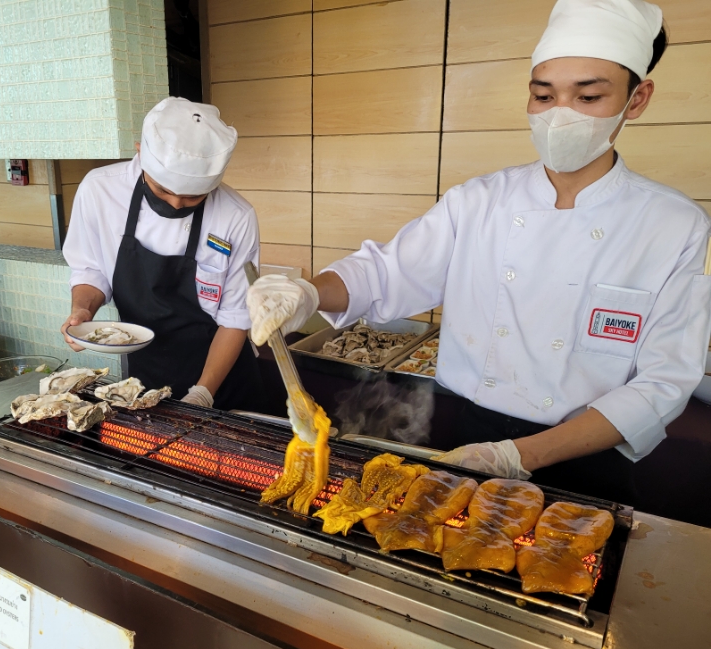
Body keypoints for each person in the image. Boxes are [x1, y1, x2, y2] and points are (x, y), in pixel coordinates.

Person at [246, 0, 711, 504]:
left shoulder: (672, 225)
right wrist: (306, 293)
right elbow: (385, 273)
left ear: (636, 99)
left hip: (587, 455)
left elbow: (664, 382)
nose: (561, 115)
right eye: (543, 94)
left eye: (589, 96)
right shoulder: (479, 201)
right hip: (469, 433)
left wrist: (519, 456)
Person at [62, 97, 265, 412]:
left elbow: (235, 319)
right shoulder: (100, 191)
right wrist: (82, 312)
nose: (174, 204)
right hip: (147, 376)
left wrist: (202, 395)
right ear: (140, 152)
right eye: (162, 190)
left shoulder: (236, 217)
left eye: (193, 197)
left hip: (222, 383)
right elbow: (91, 270)